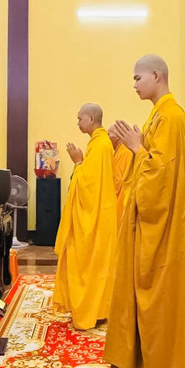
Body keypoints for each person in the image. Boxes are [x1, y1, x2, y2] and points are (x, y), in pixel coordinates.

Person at [104, 54, 185, 368]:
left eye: (137, 78)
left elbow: (161, 178)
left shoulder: (171, 117)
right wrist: (133, 146)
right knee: (148, 303)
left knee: (164, 304)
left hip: (166, 230)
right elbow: (150, 165)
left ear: (156, 75)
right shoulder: (159, 115)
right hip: (152, 227)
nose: (134, 85)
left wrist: (136, 147)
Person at [53, 103, 118, 330]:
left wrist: (78, 162)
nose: (78, 123)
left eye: (80, 118)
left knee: (89, 265)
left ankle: (90, 313)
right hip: (99, 213)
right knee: (95, 266)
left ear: (91, 118)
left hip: (96, 217)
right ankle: (96, 311)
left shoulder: (100, 145)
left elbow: (88, 186)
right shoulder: (98, 143)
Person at [108, 123, 133, 226]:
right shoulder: (119, 152)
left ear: (117, 136)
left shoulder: (125, 153)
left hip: (122, 204)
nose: (107, 138)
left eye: (109, 134)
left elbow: (117, 183)